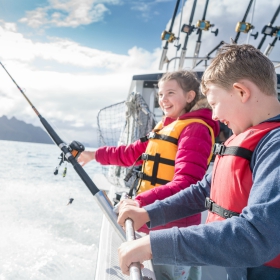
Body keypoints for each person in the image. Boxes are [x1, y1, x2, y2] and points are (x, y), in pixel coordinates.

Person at [117, 43, 280, 280]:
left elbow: (258, 237)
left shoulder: (274, 144)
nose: (214, 116)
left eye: (214, 104)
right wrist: (149, 213)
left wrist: (157, 245)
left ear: (242, 92)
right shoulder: (242, 138)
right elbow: (202, 191)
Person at [78, 70, 219, 279]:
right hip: (152, 220)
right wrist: (92, 154)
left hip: (174, 227)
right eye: (161, 94)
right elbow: (129, 154)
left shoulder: (195, 129)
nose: (163, 100)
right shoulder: (165, 126)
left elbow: (187, 184)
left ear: (190, 96)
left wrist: (140, 202)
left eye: (170, 93)